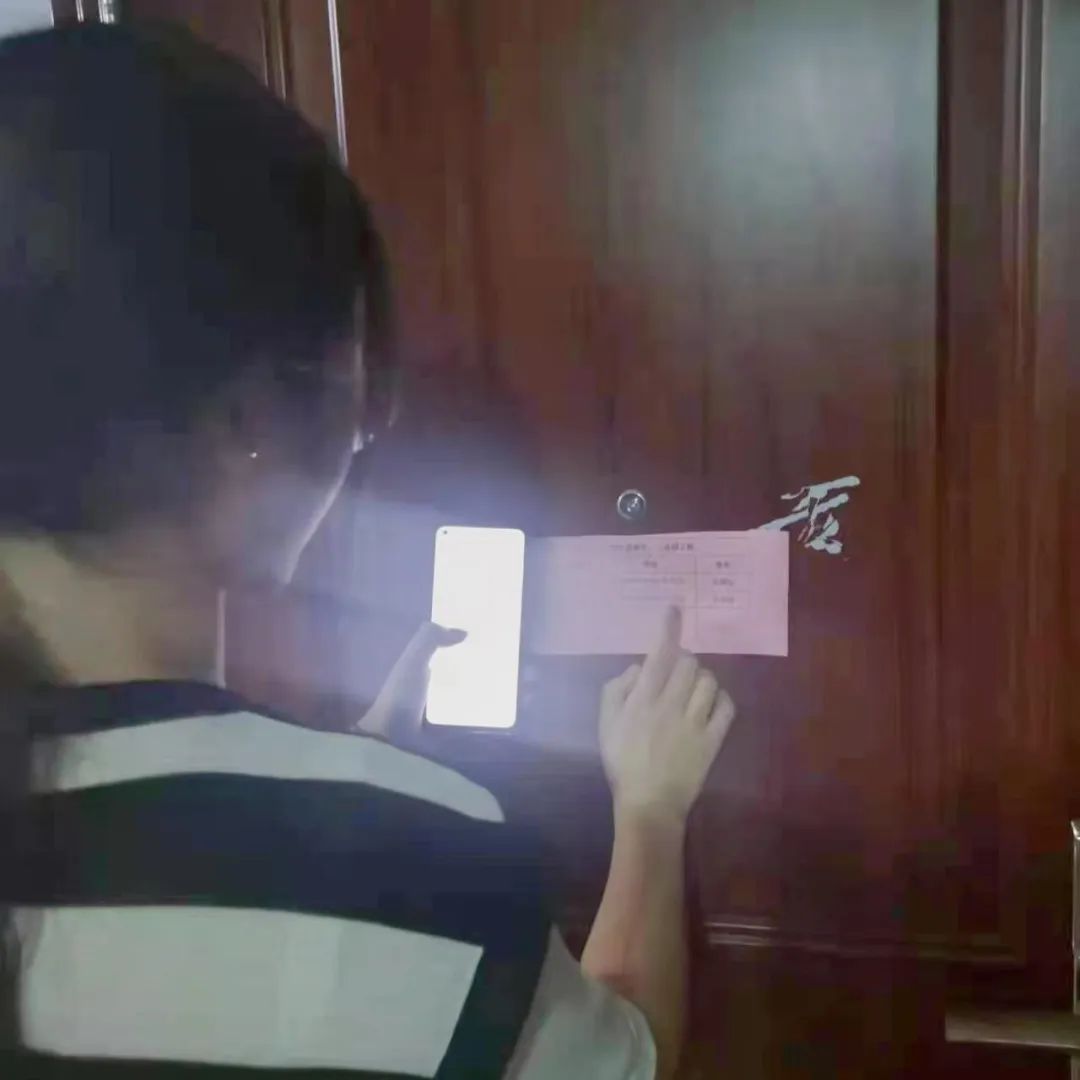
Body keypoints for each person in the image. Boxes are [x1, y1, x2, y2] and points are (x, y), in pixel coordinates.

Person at [0, 22, 736, 1080]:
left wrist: (340, 774)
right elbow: (631, 1062)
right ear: (246, 422)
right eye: (356, 387)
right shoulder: (411, 858)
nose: (360, 437)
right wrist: (654, 809)